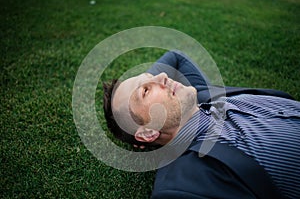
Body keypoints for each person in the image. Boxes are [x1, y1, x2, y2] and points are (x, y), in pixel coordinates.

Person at [103, 50, 300, 199]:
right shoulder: (185, 180)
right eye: (145, 91)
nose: (162, 76)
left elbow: (176, 55)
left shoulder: (204, 95)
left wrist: (146, 82)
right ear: (147, 133)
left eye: (152, 76)